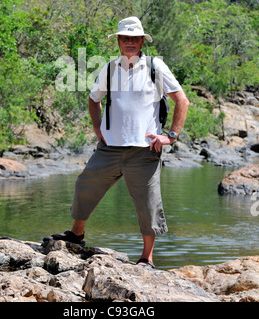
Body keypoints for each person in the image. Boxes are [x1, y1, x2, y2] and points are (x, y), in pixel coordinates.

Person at [43, 16, 189, 268]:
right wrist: (98, 127)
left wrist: (171, 136)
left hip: (145, 150)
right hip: (109, 148)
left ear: (142, 41)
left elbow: (182, 101)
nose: (130, 42)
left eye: (135, 38)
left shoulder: (156, 67)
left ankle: (147, 258)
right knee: (85, 185)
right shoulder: (109, 68)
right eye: (125, 38)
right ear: (118, 41)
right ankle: (76, 234)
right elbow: (93, 99)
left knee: (148, 203)